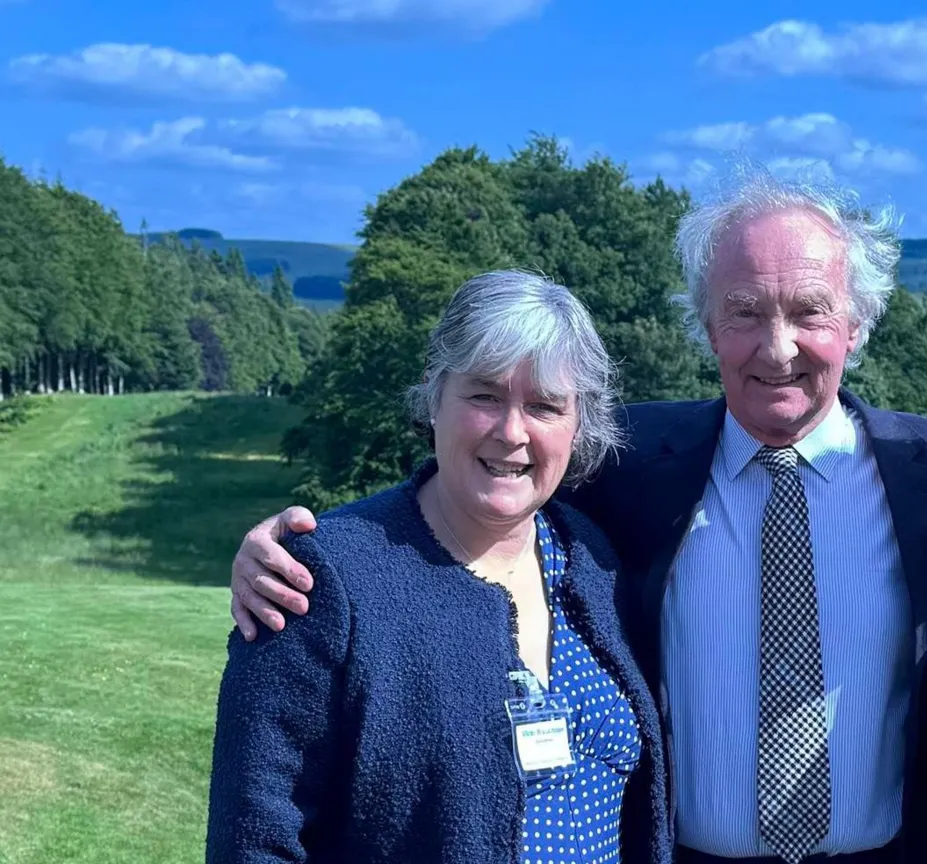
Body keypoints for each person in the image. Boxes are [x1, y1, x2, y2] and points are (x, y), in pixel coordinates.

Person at [222, 163, 927, 864]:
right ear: (704, 326)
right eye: (744, 312)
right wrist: (316, 545)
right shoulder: (632, 464)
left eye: (809, 310)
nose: (778, 346)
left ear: (855, 322)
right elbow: (491, 477)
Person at [205, 271, 671, 864]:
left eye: (545, 406)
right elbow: (256, 837)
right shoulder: (323, 579)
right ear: (433, 397)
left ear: (580, 423)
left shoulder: (597, 565)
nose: (511, 432)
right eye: (483, 395)